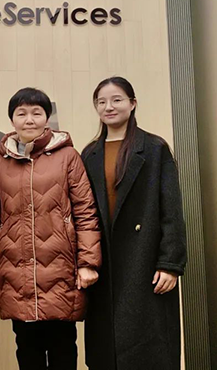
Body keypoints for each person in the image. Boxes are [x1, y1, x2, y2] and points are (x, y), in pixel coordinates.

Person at [0, 87, 102, 370]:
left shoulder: (68, 156)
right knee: (27, 351)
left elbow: (85, 211)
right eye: (21, 113)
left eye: (36, 113)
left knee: (63, 350)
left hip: (61, 270)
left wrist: (88, 263)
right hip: (16, 271)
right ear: (12, 119)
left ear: (47, 118)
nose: (29, 119)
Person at [81, 76, 187, 370]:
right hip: (105, 264)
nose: (109, 107)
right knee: (107, 351)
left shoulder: (154, 148)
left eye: (116, 100)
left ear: (132, 103)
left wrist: (170, 263)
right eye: (101, 102)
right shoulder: (90, 153)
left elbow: (171, 209)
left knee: (148, 350)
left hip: (146, 261)